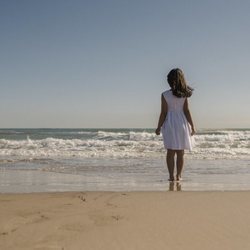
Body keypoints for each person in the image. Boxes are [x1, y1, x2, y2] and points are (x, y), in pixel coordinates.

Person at [155, 68, 195, 182]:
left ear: (169, 80)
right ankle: (179, 176)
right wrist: (192, 126)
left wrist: (158, 127)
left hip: (170, 123)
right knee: (180, 152)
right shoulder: (184, 95)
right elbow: (187, 111)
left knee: (170, 152)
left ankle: (171, 176)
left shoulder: (165, 95)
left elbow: (163, 112)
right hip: (182, 123)